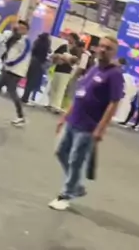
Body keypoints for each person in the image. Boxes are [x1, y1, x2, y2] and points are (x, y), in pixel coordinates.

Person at [48, 35, 124, 211]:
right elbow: (80, 95)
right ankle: (76, 186)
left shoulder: (115, 74)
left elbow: (114, 103)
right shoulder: (94, 69)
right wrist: (65, 117)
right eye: (101, 46)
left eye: (108, 48)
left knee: (76, 160)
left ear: (114, 53)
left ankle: (66, 195)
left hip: (89, 126)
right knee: (60, 152)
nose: (103, 50)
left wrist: (101, 128)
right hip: (74, 120)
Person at [48, 33, 82, 112]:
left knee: (61, 88)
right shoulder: (63, 46)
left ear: (74, 39)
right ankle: (51, 103)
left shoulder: (76, 50)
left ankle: (57, 106)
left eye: (70, 37)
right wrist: (58, 56)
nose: (68, 38)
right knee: (54, 86)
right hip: (58, 68)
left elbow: (77, 61)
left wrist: (67, 59)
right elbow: (53, 54)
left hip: (66, 71)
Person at [21, 32, 51, 104]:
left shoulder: (37, 42)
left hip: (32, 61)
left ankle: (25, 96)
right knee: (33, 81)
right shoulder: (46, 45)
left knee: (29, 80)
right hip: (38, 64)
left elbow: (32, 51)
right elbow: (45, 55)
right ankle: (26, 97)